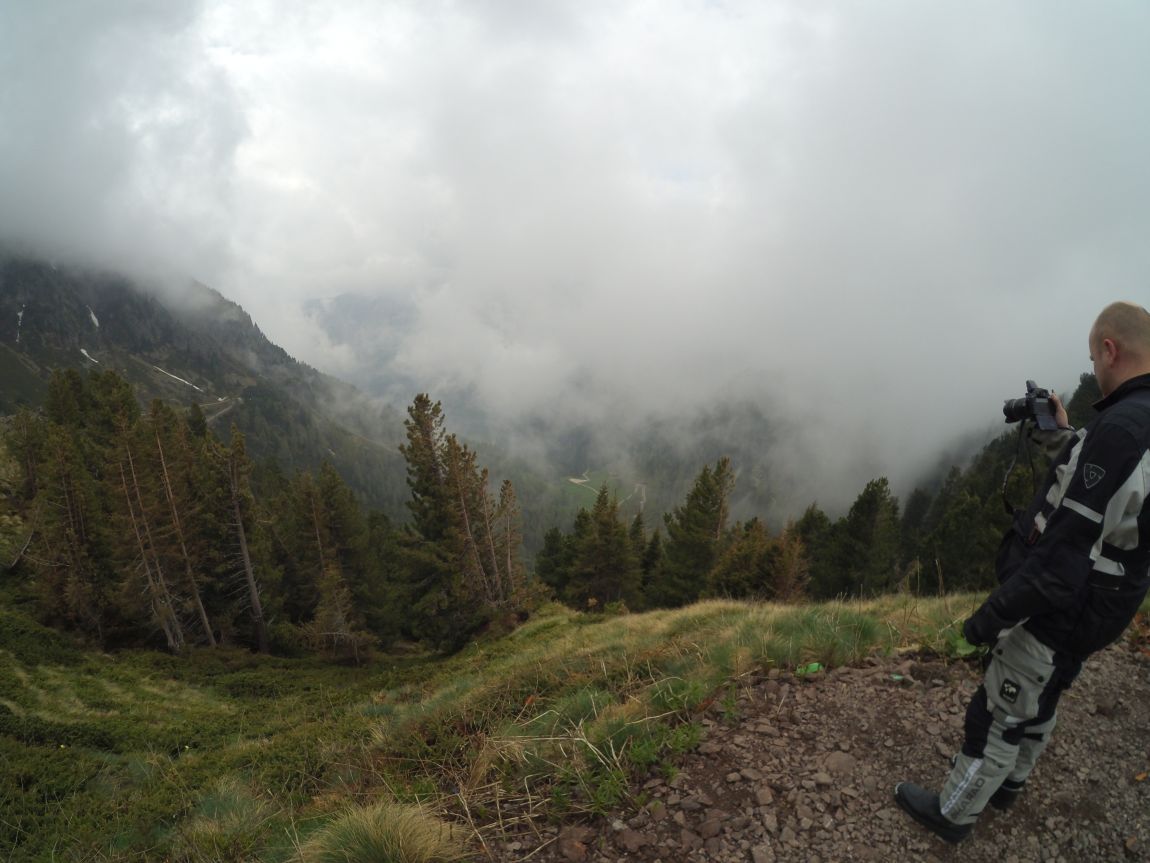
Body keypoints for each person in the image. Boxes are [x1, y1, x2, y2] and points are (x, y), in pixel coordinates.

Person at [895, 301, 1150, 844]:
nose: (1094, 367)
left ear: (1110, 350)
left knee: (1000, 707)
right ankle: (1010, 783)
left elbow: (1063, 557)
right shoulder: (1138, 420)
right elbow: (1118, 495)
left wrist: (991, 617)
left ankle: (953, 815)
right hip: (1111, 599)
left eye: (1093, 357)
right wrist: (1064, 435)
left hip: (1068, 602)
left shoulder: (1123, 428)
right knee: (1047, 687)